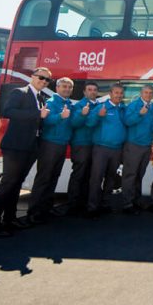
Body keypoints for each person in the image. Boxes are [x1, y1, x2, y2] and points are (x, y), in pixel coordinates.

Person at [0, 67, 51, 238]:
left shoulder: (41, 98)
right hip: (15, 147)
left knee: (17, 184)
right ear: (32, 77)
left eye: (47, 80)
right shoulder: (19, 92)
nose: (43, 81)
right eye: (41, 77)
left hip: (30, 147)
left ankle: (10, 219)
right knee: (8, 184)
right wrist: (37, 114)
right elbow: (9, 112)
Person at [27, 77, 74, 223]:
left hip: (61, 145)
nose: (67, 89)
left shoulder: (69, 104)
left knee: (54, 177)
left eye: (69, 87)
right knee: (44, 178)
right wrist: (61, 116)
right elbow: (46, 120)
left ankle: (46, 208)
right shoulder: (51, 102)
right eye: (64, 86)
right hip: (49, 144)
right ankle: (33, 212)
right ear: (57, 88)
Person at [85, 83, 127, 219]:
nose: (119, 95)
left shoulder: (123, 109)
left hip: (117, 149)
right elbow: (89, 123)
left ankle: (105, 204)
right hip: (101, 149)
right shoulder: (101, 107)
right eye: (116, 93)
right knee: (96, 178)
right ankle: (92, 208)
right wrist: (98, 115)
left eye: (121, 93)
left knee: (110, 178)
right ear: (110, 93)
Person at [122, 85, 153, 214]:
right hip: (133, 145)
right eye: (146, 92)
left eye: (150, 93)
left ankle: (136, 200)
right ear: (141, 93)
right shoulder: (133, 105)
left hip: (146, 146)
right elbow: (127, 121)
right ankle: (127, 204)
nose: (148, 95)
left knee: (139, 175)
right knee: (130, 175)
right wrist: (139, 113)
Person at [67, 81, 99, 215]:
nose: (92, 92)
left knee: (89, 176)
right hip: (81, 145)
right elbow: (73, 123)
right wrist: (83, 114)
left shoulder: (97, 106)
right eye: (89, 90)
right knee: (79, 175)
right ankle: (73, 206)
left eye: (94, 90)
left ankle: (84, 203)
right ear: (84, 92)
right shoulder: (79, 106)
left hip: (93, 145)